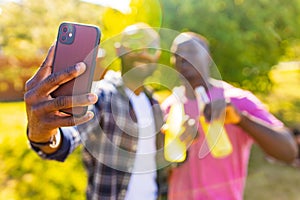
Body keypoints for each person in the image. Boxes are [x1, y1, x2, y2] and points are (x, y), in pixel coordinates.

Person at [25, 23, 196, 200]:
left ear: (158, 56)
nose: (143, 53)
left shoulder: (155, 106)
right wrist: (43, 135)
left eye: (151, 49)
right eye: (136, 44)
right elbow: (70, 134)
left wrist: (181, 143)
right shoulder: (101, 95)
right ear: (119, 49)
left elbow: (160, 163)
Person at [161, 32, 298, 200]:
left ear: (209, 57)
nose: (183, 58)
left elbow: (288, 151)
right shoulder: (169, 107)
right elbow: (162, 168)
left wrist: (241, 120)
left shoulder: (237, 100)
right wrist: (177, 146)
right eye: (176, 54)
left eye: (191, 51)